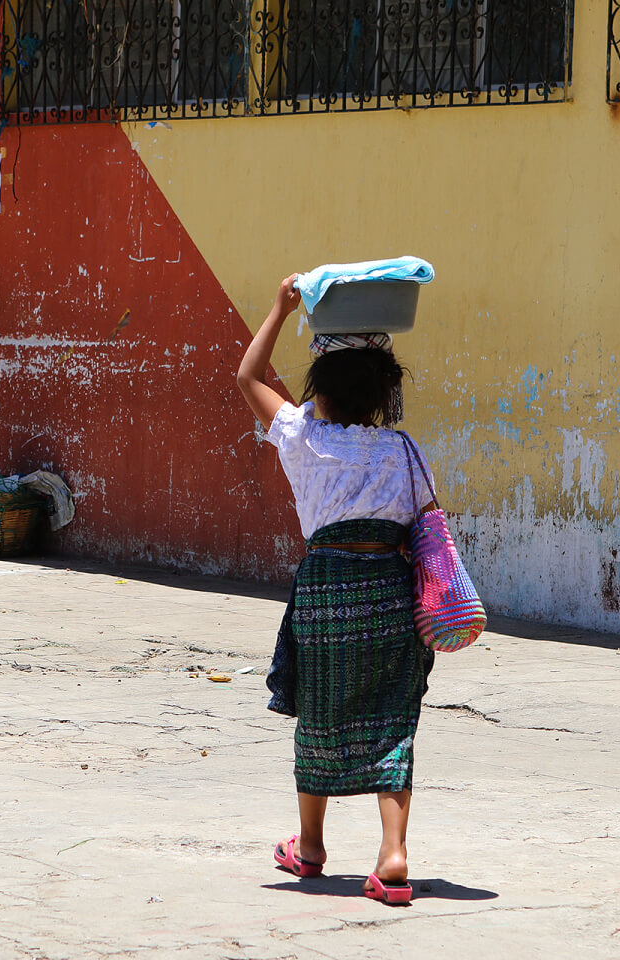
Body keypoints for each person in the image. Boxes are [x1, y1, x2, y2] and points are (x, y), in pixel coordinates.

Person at [236, 273, 438, 906]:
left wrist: (279, 306)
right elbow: (424, 527)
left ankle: (313, 845)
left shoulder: (302, 437)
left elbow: (248, 377)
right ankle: (394, 853)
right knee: (391, 716)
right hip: (388, 593)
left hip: (324, 593)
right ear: (386, 392)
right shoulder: (403, 451)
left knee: (319, 712)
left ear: (317, 389)